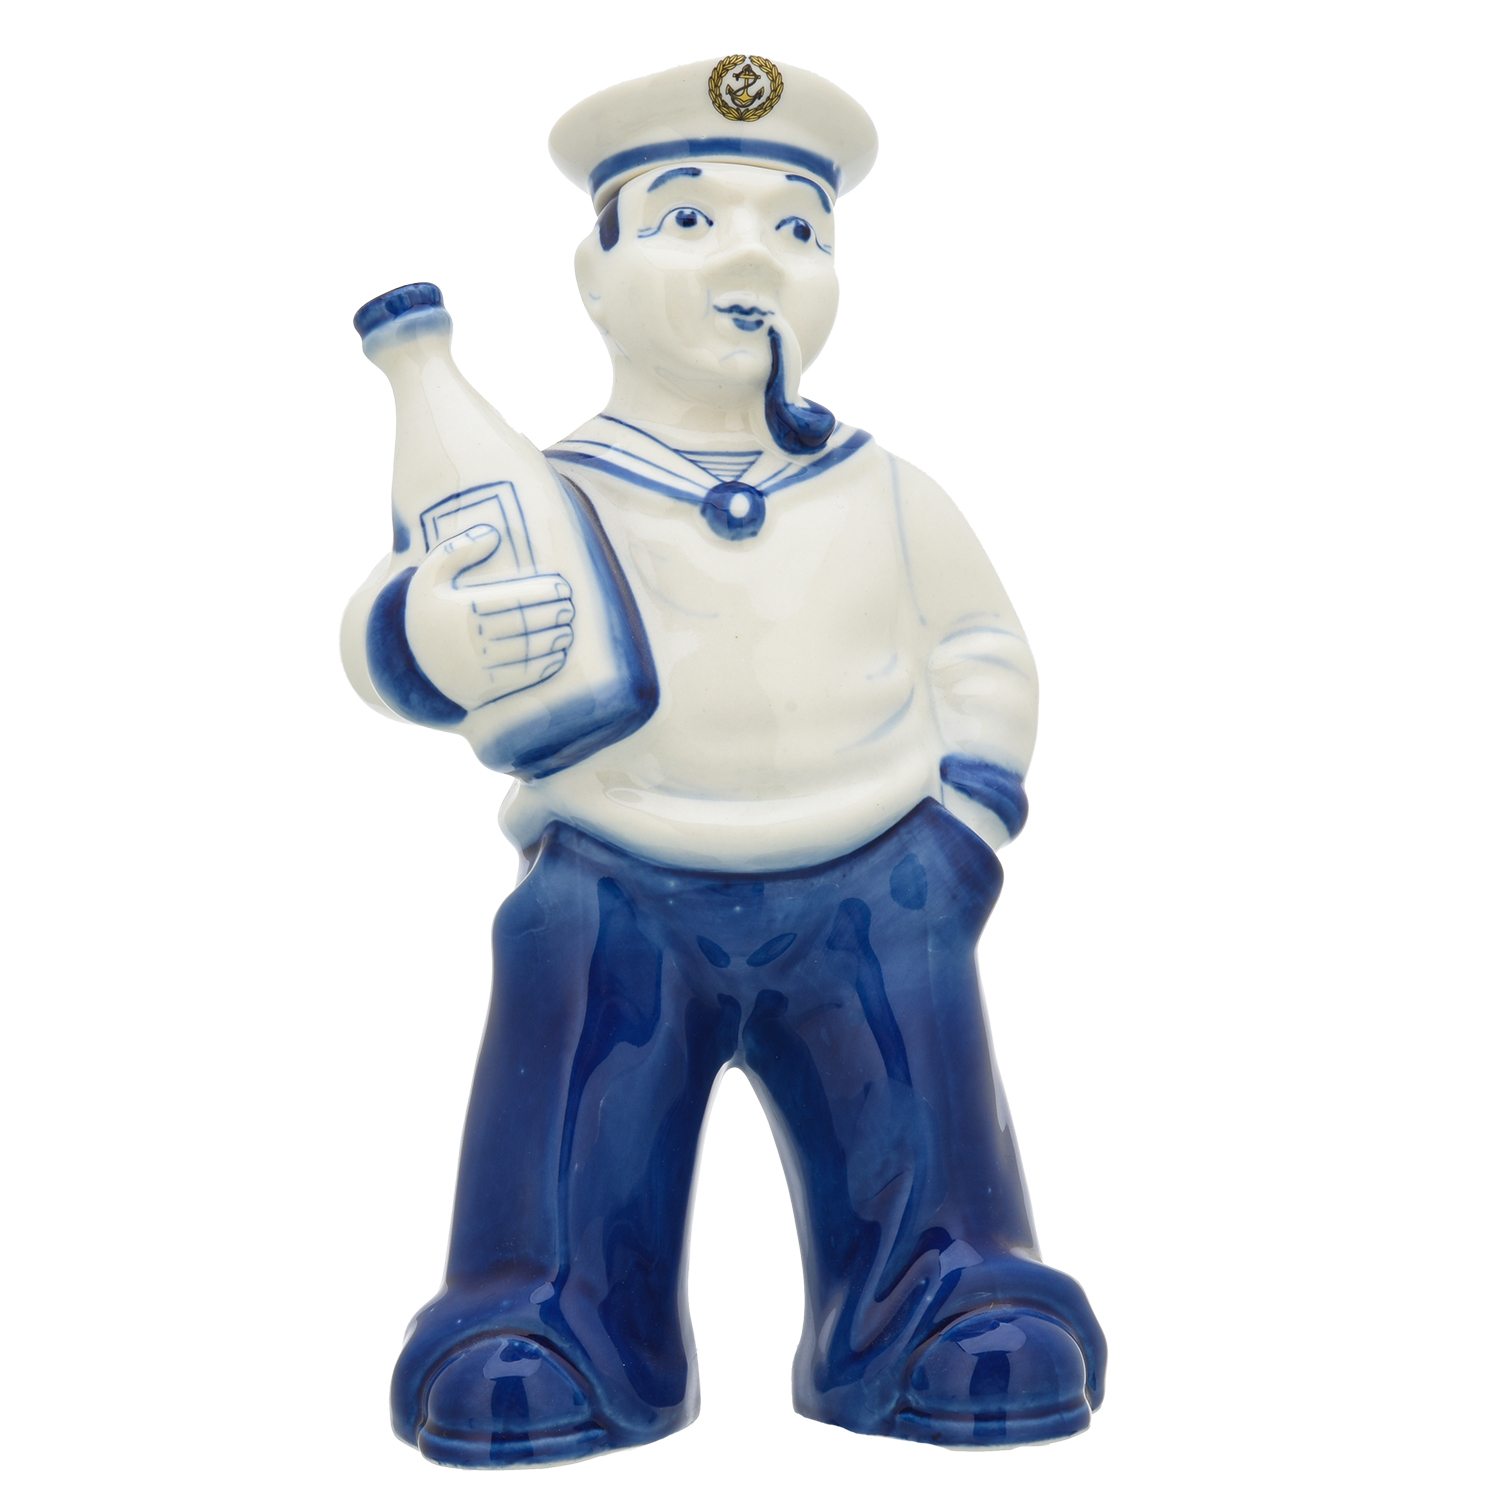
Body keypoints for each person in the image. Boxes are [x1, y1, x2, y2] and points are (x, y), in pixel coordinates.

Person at [344, 55, 1106, 1469]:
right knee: (576, 1080)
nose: (753, 257)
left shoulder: (881, 487)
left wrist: (966, 822)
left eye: (799, 230)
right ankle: (554, 1313)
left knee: (917, 1101)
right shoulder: (551, 488)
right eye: (690, 220)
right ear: (595, 275)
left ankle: (938, 1299)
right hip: (616, 878)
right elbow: (397, 613)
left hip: (877, 880)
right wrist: (431, 630)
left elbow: (980, 646)